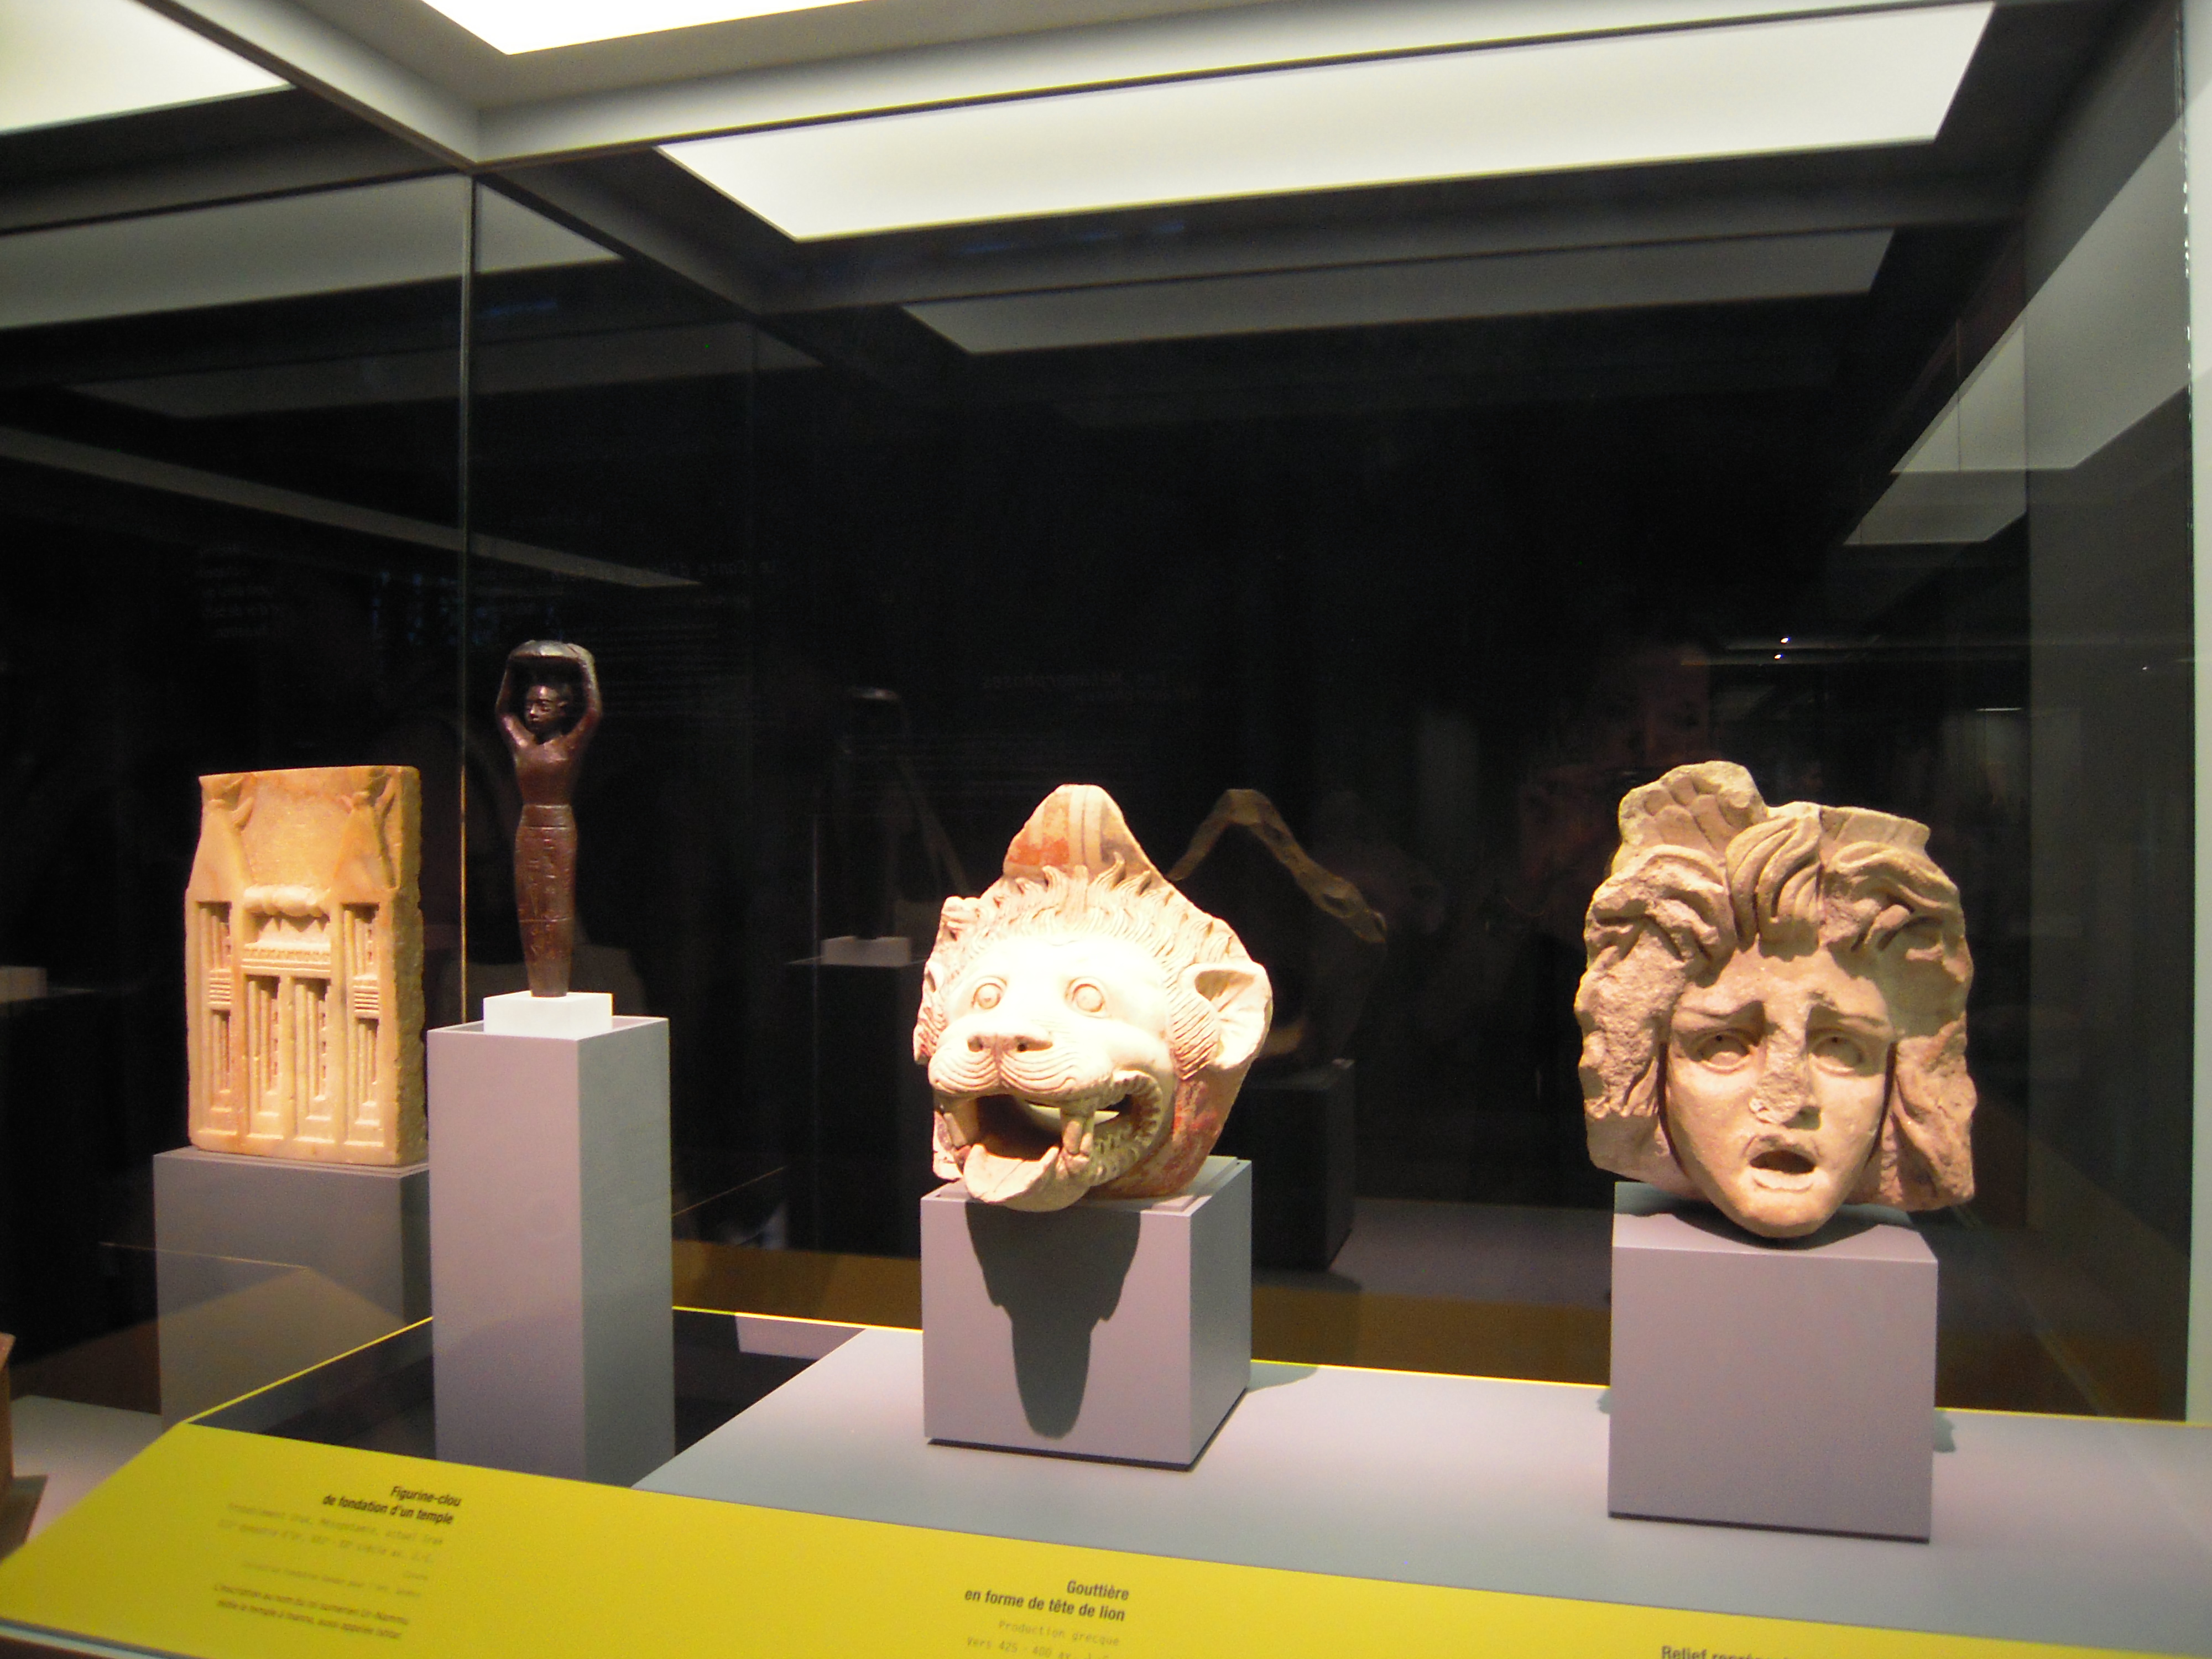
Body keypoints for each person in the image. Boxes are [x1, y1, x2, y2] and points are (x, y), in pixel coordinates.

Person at [494, 641, 601, 997]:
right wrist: (511, 670)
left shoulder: (568, 746)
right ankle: (539, 986)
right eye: (529, 705)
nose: (532, 713)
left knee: (556, 905)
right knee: (531, 905)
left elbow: (594, 714)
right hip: (529, 826)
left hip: (558, 827)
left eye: (542, 706)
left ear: (562, 710)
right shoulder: (522, 746)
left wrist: (585, 667)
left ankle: (554, 987)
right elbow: (503, 712)